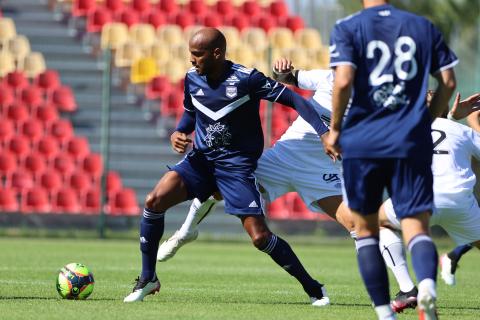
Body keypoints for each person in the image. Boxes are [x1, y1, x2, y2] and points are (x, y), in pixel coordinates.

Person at [124, 28, 334, 305]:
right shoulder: (191, 78)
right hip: (201, 161)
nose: (192, 60)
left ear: (217, 53)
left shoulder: (247, 79)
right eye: (190, 54)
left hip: (235, 168)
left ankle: (313, 288)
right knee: (154, 201)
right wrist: (179, 132)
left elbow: (295, 99)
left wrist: (323, 132)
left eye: (197, 54)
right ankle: (148, 277)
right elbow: (190, 113)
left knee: (260, 238)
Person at [326, 1, 458, 319]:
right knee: (416, 227)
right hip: (409, 141)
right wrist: (425, 120)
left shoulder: (348, 27)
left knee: (368, 230)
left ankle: (385, 313)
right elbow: (449, 82)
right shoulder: (422, 26)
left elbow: (343, 81)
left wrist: (334, 129)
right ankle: (426, 287)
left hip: (363, 142)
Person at [376, 91, 480, 313]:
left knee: (379, 223)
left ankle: (408, 290)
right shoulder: (461, 130)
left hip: (418, 198)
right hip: (458, 201)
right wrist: (467, 121)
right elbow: (444, 134)